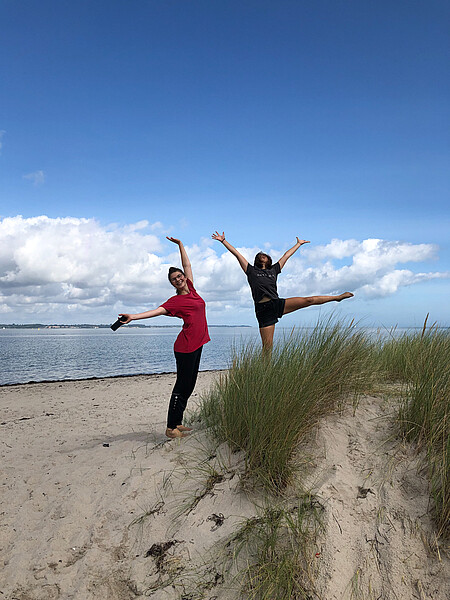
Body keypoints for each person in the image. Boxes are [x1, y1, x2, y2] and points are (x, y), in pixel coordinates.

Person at [119, 237, 210, 439]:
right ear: (172, 284)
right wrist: (133, 317)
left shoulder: (192, 289)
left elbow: (187, 264)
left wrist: (180, 245)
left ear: (184, 277)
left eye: (179, 276)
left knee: (190, 384)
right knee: (182, 385)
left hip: (198, 344)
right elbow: (157, 311)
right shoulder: (175, 301)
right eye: (173, 279)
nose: (178, 279)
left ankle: (178, 422)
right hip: (185, 347)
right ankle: (170, 428)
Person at [212, 231, 353, 351]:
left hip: (277, 303)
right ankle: (265, 375)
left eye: (265, 255)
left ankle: (337, 298)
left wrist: (298, 244)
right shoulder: (251, 271)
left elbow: (286, 256)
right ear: (257, 260)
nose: (263, 256)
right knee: (267, 348)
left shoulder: (273, 269)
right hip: (263, 310)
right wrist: (224, 241)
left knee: (308, 300)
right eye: (260, 255)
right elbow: (237, 254)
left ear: (268, 260)